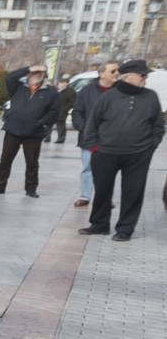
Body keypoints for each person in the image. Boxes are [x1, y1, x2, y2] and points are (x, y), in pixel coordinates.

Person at [77, 60, 164, 242]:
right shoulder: (109, 96)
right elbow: (92, 123)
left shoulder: (151, 97)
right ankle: (99, 225)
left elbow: (158, 125)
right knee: (102, 190)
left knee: (133, 192)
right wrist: (94, 147)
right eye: (142, 75)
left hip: (138, 155)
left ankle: (125, 229)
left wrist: (152, 145)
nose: (145, 79)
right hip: (105, 153)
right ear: (129, 76)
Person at [0, 63, 58, 198]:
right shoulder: (18, 87)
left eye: (39, 73)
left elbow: (54, 111)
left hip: (34, 133)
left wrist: (42, 123)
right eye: (34, 73)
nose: (36, 75)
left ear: (44, 75)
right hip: (13, 129)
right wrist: (29, 68)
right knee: (5, 160)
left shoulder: (50, 91)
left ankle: (31, 189)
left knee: (32, 163)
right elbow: (10, 78)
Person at [70, 61, 118, 208]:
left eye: (118, 71)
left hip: (111, 139)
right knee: (88, 168)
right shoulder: (87, 90)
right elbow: (77, 112)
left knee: (108, 171)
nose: (117, 73)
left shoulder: (120, 91)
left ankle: (104, 198)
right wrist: (85, 129)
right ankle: (85, 196)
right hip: (89, 139)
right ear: (102, 73)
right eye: (113, 71)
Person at [46, 76, 75, 144]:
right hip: (53, 111)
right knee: (49, 124)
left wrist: (65, 109)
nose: (60, 84)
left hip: (62, 111)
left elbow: (72, 103)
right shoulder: (56, 90)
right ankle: (47, 137)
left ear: (66, 83)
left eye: (62, 83)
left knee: (60, 126)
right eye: (60, 82)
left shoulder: (71, 92)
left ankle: (61, 139)